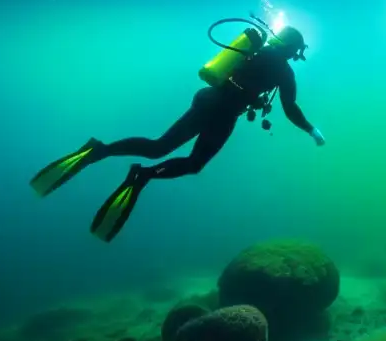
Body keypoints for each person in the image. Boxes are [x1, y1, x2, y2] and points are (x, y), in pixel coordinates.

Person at [29, 25, 325, 242]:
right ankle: (142, 176)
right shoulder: (283, 71)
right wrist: (311, 129)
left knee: (159, 146)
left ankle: (99, 150)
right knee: (193, 164)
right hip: (222, 114)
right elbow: (290, 108)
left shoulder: (254, 51)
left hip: (208, 99)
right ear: (292, 49)